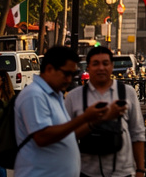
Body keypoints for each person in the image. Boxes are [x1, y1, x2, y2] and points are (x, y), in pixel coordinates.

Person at [14, 46, 113, 177]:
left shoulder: (55, 95)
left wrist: (93, 120)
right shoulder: (34, 95)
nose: (69, 80)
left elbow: (66, 133)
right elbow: (42, 137)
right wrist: (84, 118)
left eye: (72, 75)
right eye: (66, 74)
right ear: (49, 69)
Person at [65, 47, 146, 177]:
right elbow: (66, 136)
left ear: (112, 66)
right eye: (95, 64)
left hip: (122, 172)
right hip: (86, 172)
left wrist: (140, 170)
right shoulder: (73, 97)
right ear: (88, 67)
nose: (101, 68)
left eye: (105, 63)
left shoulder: (127, 92)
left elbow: (137, 133)